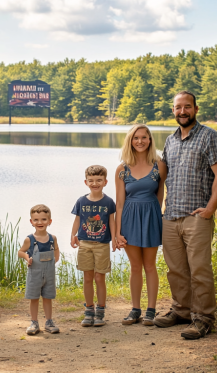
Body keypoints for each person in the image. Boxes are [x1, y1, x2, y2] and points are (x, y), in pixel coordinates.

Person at [155, 91, 217, 340]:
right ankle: (182, 311)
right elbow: (162, 176)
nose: (182, 111)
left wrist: (210, 209)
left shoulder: (211, 137)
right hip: (171, 214)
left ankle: (204, 318)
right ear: (173, 110)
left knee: (199, 269)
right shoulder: (170, 141)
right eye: (178, 107)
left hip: (197, 216)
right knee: (175, 270)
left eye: (187, 107)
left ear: (196, 109)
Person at [115, 124, 164, 326]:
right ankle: (135, 310)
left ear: (150, 140)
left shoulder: (159, 165)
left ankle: (151, 310)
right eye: (136, 138)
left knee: (150, 266)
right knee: (135, 267)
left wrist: (157, 218)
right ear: (130, 141)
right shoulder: (122, 169)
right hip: (129, 219)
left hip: (151, 217)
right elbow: (119, 203)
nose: (140, 141)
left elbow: (160, 195)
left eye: (144, 137)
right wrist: (117, 233)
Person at [70, 165, 117, 327]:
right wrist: (73, 235)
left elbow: (112, 221)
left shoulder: (109, 202)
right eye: (91, 180)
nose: (95, 183)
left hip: (102, 244)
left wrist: (114, 238)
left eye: (99, 180)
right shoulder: (81, 201)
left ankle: (101, 311)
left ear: (105, 182)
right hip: (84, 243)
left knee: (99, 277)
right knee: (88, 277)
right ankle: (89, 309)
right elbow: (77, 219)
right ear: (86, 182)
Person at [18, 204, 60, 336]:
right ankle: (34, 322)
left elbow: (57, 249)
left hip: (49, 274)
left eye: (43, 219)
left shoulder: (52, 238)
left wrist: (56, 258)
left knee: (48, 297)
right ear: (31, 222)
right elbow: (20, 252)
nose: (40, 222)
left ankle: (49, 322)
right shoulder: (29, 239)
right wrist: (26, 257)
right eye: (36, 220)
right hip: (35, 274)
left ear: (49, 221)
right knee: (34, 298)